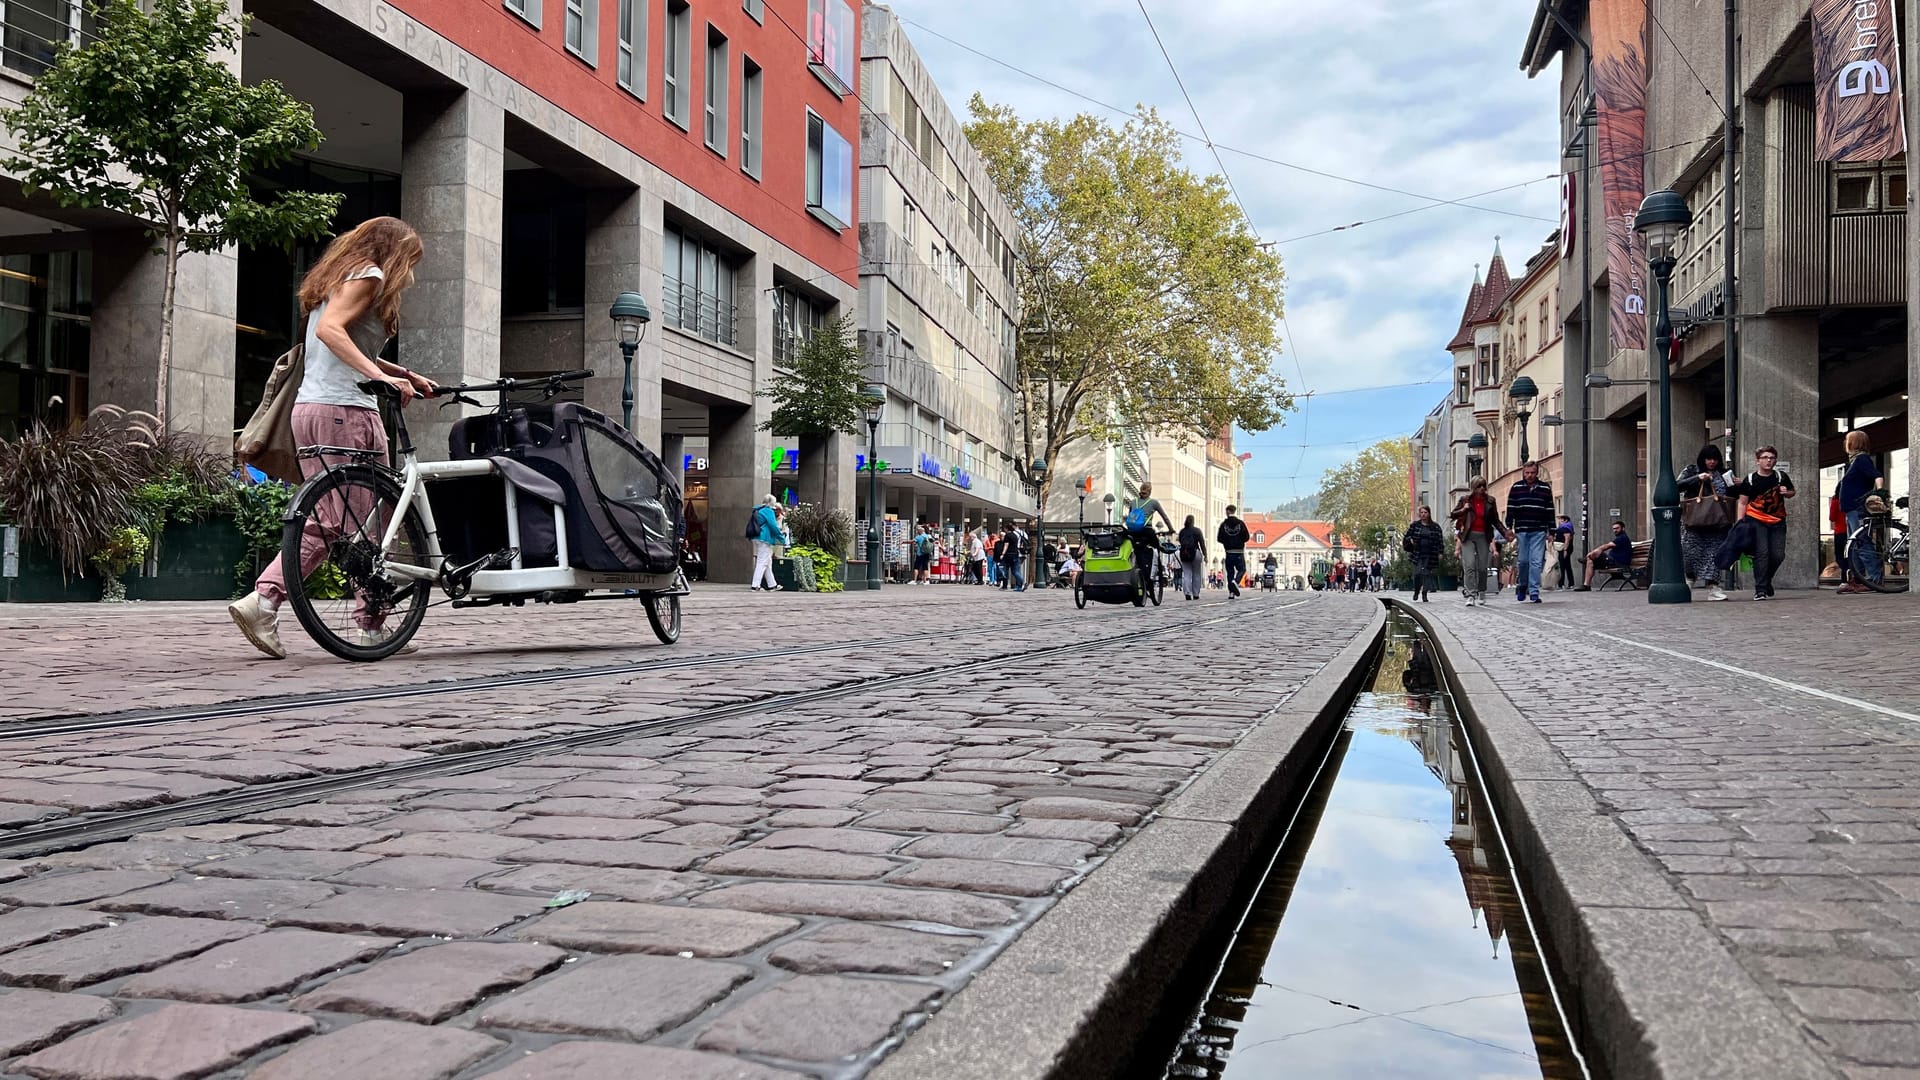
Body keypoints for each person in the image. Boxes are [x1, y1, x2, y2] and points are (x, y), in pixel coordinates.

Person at [229, 217, 435, 660]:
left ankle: (372, 625)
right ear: (394, 252)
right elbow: (330, 332)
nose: (412, 274)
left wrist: (402, 373)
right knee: (340, 524)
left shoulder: (345, 275)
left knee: (376, 522)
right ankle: (264, 600)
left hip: (335, 410)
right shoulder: (371, 275)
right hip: (342, 412)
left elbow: (338, 347)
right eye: (411, 261)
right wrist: (379, 374)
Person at [1730, 445, 1795, 600]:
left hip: (1778, 521)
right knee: (1762, 554)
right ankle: (1760, 590)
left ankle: (1766, 581)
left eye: (1772, 458)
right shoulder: (1751, 479)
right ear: (1757, 461)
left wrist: (1788, 493)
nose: (1769, 461)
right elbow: (1742, 502)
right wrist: (1740, 522)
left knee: (1778, 555)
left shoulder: (1781, 477)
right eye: (1765, 458)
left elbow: (1792, 492)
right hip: (1756, 520)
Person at [1677, 444, 1732, 601]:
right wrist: (1697, 478)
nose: (1712, 462)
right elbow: (1676, 485)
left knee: (1714, 554)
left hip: (1717, 521)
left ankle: (1714, 586)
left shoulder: (1723, 473)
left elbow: (1731, 494)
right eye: (1709, 459)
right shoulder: (1692, 470)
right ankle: (1689, 581)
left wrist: (1736, 484)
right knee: (1690, 551)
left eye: (1715, 459)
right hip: (1695, 519)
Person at [1836, 430, 1884, 593]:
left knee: (1862, 541)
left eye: (1847, 440)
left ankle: (1873, 579)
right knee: (1854, 544)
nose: (1845, 443)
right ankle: (1858, 579)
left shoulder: (1862, 459)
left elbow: (1877, 476)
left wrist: (1880, 492)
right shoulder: (1854, 460)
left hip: (1857, 508)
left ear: (1853, 443)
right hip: (1851, 509)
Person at [1503, 461, 1554, 603]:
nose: (1530, 475)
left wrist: (1552, 531)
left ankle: (1534, 591)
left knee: (1536, 562)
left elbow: (1550, 510)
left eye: (1532, 472)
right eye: (1527, 473)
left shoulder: (1544, 488)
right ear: (1523, 472)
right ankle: (1522, 585)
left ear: (1537, 472)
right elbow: (1510, 508)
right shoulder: (1516, 488)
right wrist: (1508, 527)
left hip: (1539, 530)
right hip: (1522, 530)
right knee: (1523, 561)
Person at [1450, 476, 1501, 607]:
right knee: (1469, 565)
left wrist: (1505, 532)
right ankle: (1470, 594)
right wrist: (1464, 509)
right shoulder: (1465, 500)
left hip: (1483, 536)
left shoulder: (1490, 501)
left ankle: (1482, 591)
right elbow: (1453, 514)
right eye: (1479, 486)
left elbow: (1496, 520)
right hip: (1467, 535)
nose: (1482, 489)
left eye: (1484, 486)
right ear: (1473, 487)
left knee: (1482, 567)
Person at [1123, 484, 1175, 589]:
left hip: (1133, 532)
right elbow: (1165, 517)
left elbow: (1131, 518)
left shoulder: (1133, 502)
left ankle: (1136, 572)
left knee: (1137, 552)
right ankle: (1155, 570)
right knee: (1157, 545)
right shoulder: (1153, 502)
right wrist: (1171, 529)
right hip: (1147, 531)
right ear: (1150, 492)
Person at [1576, 520, 1634, 589]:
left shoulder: (1623, 538)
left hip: (1619, 563)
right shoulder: (1619, 538)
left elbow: (1608, 546)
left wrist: (1598, 550)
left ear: (1623, 528)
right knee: (1590, 561)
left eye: (1617, 528)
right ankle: (1586, 585)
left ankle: (1587, 558)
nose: (1615, 530)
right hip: (1612, 562)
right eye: (1614, 529)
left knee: (1598, 554)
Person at [1403, 505, 1444, 602]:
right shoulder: (1415, 525)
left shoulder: (1435, 527)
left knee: (1426, 574)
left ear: (1429, 514)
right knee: (1417, 573)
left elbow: (1440, 541)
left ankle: (1424, 593)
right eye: (1421, 512)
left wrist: (1440, 552)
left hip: (1430, 553)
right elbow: (1407, 537)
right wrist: (1410, 540)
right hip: (1417, 553)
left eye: (1425, 512)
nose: (1423, 514)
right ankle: (1417, 590)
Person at [748, 494, 787, 591]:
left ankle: (772, 585)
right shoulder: (768, 511)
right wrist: (782, 538)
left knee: (767, 561)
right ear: (771, 503)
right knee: (762, 562)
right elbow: (773, 526)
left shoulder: (758, 510)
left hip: (757, 537)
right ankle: (755, 585)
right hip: (765, 538)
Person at [1216, 506, 1249, 601]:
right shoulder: (1241, 523)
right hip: (1239, 551)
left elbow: (1219, 538)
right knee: (1242, 569)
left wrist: (1227, 542)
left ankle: (1231, 593)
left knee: (1230, 572)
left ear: (1228, 511)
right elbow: (1246, 537)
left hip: (1229, 552)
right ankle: (1236, 581)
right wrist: (1239, 541)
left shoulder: (1224, 524)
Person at [1177, 514, 1207, 600]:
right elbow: (1202, 544)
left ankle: (1187, 593)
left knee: (1187, 573)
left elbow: (1180, 541)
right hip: (1195, 552)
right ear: (1193, 521)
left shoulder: (1182, 531)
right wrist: (1205, 555)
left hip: (1184, 553)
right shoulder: (1197, 531)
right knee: (1196, 574)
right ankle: (1196, 593)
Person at [1553, 515, 1576, 591]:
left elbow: (1567, 539)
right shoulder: (1566, 527)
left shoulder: (1565, 528)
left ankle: (1561, 584)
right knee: (1567, 565)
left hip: (1563, 548)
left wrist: (1565, 550)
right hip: (1563, 548)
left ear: (1566, 520)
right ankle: (1571, 583)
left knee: (1562, 566)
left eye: (1561, 519)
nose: (1559, 521)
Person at [1004, 522, 1029, 591]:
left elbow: (1011, 544)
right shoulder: (1024, 533)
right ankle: (1019, 585)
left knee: (1015, 571)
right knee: (1017, 570)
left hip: (1016, 553)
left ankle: (1020, 584)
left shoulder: (1013, 534)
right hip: (1023, 553)